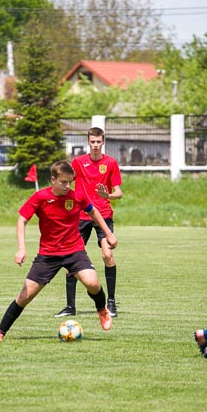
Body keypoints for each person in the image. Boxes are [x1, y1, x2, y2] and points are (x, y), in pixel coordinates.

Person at [0, 161, 116, 342]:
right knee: (25, 296)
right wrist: (21, 248)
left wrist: (108, 233)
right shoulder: (40, 197)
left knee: (93, 283)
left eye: (70, 182)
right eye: (63, 182)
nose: (67, 186)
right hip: (48, 255)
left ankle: (102, 310)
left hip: (74, 251)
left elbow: (93, 212)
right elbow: (21, 220)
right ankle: (0, 331)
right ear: (53, 179)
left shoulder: (77, 196)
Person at [54, 127, 122, 319]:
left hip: (104, 214)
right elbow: (65, 181)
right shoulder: (77, 162)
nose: (95, 145)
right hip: (80, 216)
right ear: (87, 142)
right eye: (92, 142)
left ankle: (111, 303)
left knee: (107, 255)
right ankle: (70, 306)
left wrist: (106, 195)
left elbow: (119, 192)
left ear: (103, 142)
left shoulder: (110, 163)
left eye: (98, 142)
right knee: (69, 258)